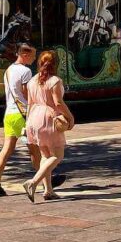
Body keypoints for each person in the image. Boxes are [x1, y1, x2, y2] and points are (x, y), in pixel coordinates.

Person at [23, 50, 74, 202]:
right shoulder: (55, 81)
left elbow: (30, 103)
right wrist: (70, 117)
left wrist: (27, 123)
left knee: (45, 155)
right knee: (57, 155)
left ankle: (48, 190)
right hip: (48, 117)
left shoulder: (32, 81)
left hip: (33, 118)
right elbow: (58, 102)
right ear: (55, 64)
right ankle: (33, 182)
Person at [0, 43, 40, 197]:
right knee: (34, 149)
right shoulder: (25, 71)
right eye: (32, 55)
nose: (34, 58)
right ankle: (45, 180)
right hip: (22, 114)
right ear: (24, 54)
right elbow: (26, 93)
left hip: (9, 114)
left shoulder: (9, 70)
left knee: (6, 149)